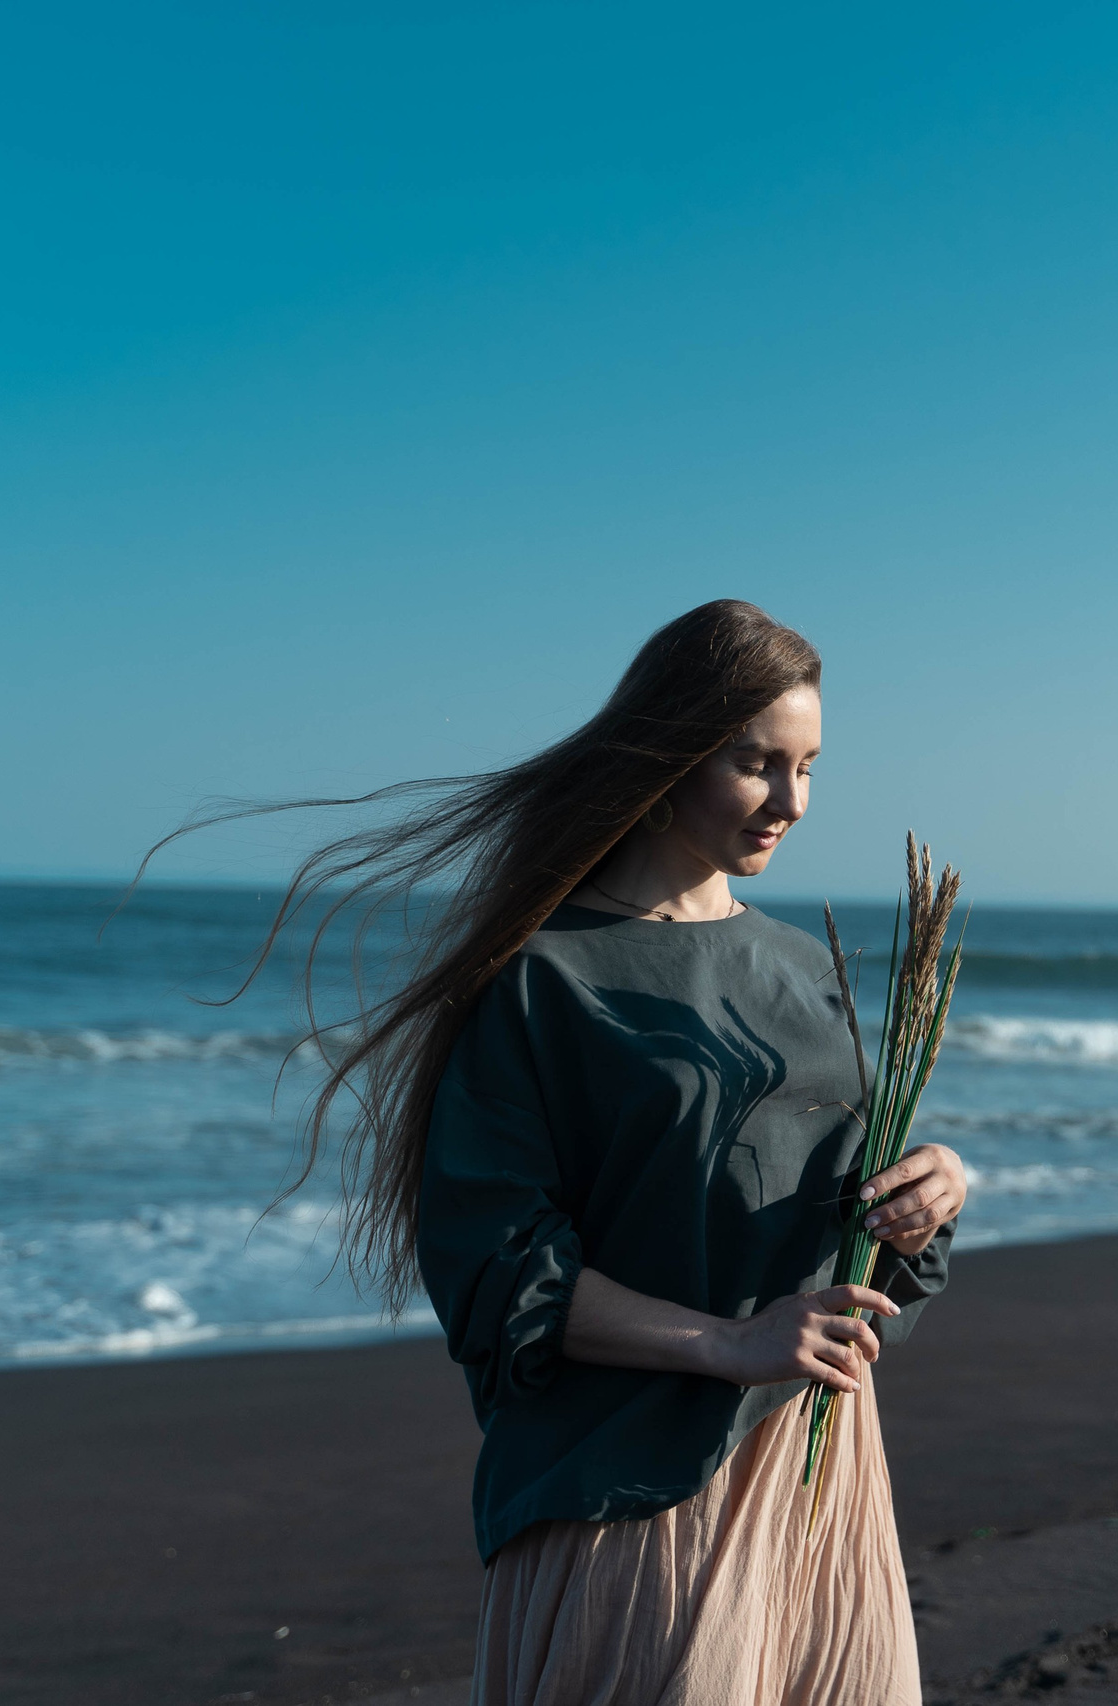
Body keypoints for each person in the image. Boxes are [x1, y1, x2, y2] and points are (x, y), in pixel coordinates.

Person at [196, 600, 967, 1704]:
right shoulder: (540, 976)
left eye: (808, 767)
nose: (790, 802)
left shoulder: (803, 964)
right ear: (670, 753)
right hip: (631, 1485)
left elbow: (845, 1243)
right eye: (756, 764)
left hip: (820, 1474)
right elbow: (495, 1270)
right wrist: (724, 1341)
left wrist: (925, 1193)